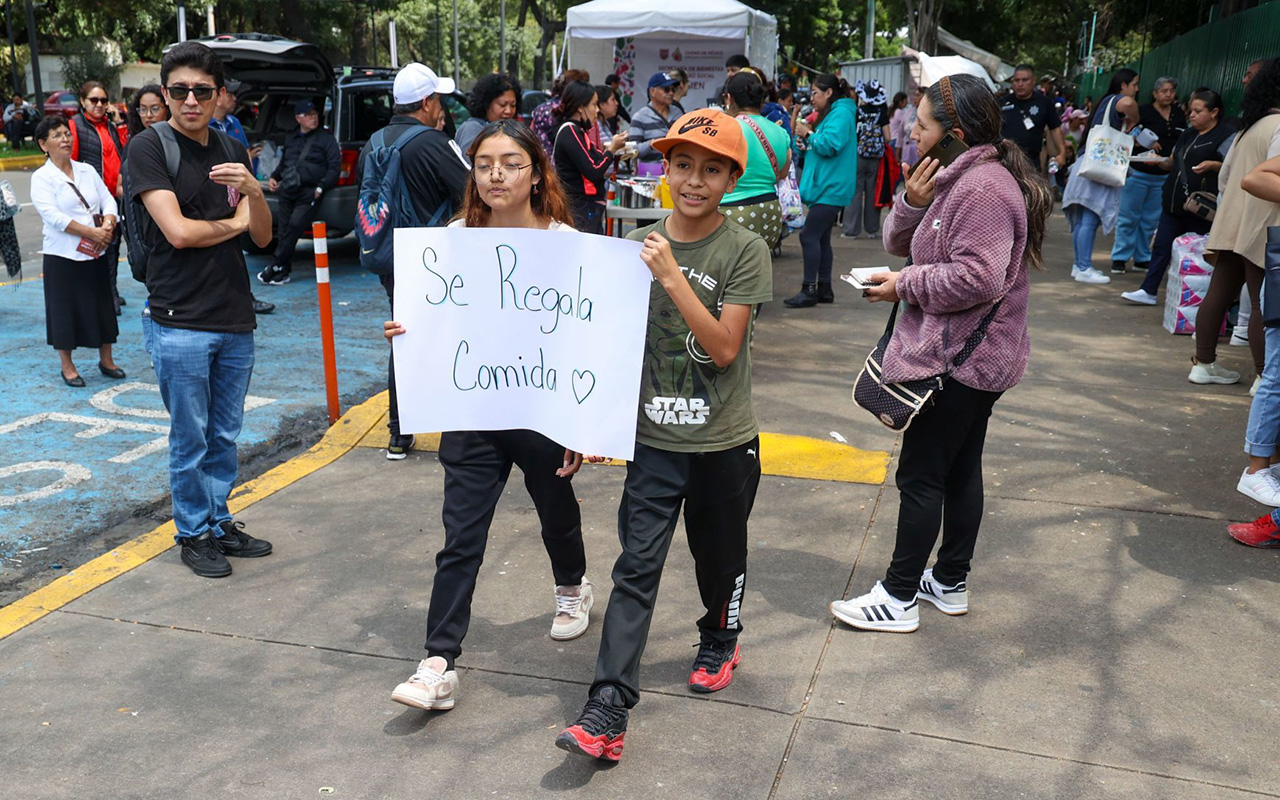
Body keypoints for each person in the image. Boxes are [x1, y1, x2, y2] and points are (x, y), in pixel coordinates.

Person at [556, 109, 770, 762]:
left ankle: (719, 636)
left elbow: (725, 346)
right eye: (682, 166)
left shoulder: (744, 251)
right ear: (664, 171)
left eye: (711, 169)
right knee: (635, 571)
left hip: (724, 444)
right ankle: (607, 709)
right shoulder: (636, 248)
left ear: (732, 178)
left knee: (718, 562)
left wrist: (673, 276)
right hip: (653, 445)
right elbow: (608, 346)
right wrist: (581, 421)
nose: (695, 180)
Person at [381, 119, 593, 712]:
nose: (496, 174)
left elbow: (583, 335)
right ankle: (437, 662)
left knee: (556, 509)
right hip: (473, 409)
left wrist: (579, 420)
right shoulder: (452, 237)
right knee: (461, 536)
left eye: (510, 163)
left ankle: (572, 586)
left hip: (540, 407)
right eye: (484, 164)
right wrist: (408, 330)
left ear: (535, 174)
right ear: (472, 174)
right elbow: (436, 316)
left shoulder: (564, 242)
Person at [830, 73, 1051, 633]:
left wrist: (904, 284)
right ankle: (949, 581)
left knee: (923, 475)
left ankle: (898, 597)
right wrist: (911, 201)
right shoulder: (957, 177)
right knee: (958, 468)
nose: (912, 135)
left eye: (922, 127)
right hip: (972, 354)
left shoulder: (983, 189)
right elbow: (899, 242)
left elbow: (977, 277)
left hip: (965, 359)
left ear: (953, 133)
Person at [129, 41, 274, 578]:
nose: (191, 100)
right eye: (179, 91)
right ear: (165, 94)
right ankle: (192, 533)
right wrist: (233, 226)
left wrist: (255, 193)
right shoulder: (150, 147)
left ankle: (217, 520)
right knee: (190, 438)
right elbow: (179, 232)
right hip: (179, 319)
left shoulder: (228, 145)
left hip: (234, 317)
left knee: (225, 434)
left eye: (202, 91)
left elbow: (261, 236)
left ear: (219, 97)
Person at [357, 62, 469, 460]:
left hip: (392, 257)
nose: (442, 108)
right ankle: (462, 424)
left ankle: (397, 434)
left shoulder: (373, 143)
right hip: (439, 258)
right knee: (456, 334)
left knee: (402, 335)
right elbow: (470, 194)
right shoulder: (434, 143)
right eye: (439, 100)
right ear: (427, 101)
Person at [1189, 60, 1280, 397]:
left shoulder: (1248, 126)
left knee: (1219, 293)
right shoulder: (1278, 126)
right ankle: (1262, 376)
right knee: (1262, 304)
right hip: (1262, 223)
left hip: (1232, 220)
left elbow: (1226, 177)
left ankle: (1203, 363)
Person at [30, 115, 124, 387]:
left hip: (95, 252)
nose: (65, 139)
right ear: (43, 144)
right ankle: (67, 366)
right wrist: (92, 233)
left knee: (102, 305)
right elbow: (53, 216)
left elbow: (108, 200)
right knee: (64, 310)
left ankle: (106, 360)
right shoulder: (42, 178)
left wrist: (107, 225)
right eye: (57, 135)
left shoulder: (86, 170)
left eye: (66, 134)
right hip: (63, 255)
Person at [1121, 89, 1232, 306]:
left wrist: (1213, 165)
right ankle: (1148, 290)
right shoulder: (1188, 134)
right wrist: (1157, 161)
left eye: (1198, 111)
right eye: (1191, 111)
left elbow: (1233, 166)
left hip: (1199, 207)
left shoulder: (1224, 136)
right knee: (1162, 247)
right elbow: (1172, 161)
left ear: (1214, 112)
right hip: (1173, 202)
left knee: (1198, 254)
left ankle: (1197, 298)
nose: (1191, 115)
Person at [1061, 68, 1140, 285]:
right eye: (1134, 84)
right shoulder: (1118, 100)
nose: (1136, 89)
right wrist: (1135, 119)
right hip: (1099, 167)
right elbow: (1128, 105)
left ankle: (1080, 265)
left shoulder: (1103, 102)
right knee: (1089, 219)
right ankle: (1084, 266)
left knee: (1082, 220)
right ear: (1123, 85)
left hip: (1085, 164)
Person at [786, 73, 857, 308]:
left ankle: (809, 290)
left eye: (815, 93)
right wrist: (807, 144)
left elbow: (830, 144)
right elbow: (823, 144)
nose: (812, 98)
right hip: (827, 186)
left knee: (808, 236)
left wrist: (807, 134)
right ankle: (824, 289)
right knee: (822, 238)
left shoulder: (841, 113)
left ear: (828, 93)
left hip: (831, 187)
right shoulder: (837, 113)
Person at [256, 99, 341, 286]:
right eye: (308, 115)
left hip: (310, 192)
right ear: (298, 118)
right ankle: (282, 271)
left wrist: (321, 187)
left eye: (315, 115)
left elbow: (334, 168)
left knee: (295, 226)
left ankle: (276, 264)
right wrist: (274, 177)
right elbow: (286, 161)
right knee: (285, 230)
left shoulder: (326, 140)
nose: (313, 118)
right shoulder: (292, 138)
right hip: (288, 190)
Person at [210, 80, 274, 315]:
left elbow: (243, 158)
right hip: (215, 193)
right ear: (218, 97)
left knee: (239, 245)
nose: (235, 99)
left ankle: (245, 296)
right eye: (231, 94)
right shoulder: (204, 126)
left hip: (239, 192)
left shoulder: (234, 123)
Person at [1112, 77, 1187, 275]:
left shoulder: (1178, 114)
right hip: (1139, 172)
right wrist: (1143, 142)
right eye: (1164, 91)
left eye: (1171, 90)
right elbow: (1129, 132)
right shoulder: (1143, 111)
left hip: (1163, 173)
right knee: (1128, 216)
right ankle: (1120, 257)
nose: (1168, 94)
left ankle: (1142, 257)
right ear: (1154, 93)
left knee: (1150, 220)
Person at [70, 80, 127, 314]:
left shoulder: (110, 125)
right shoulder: (75, 126)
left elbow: (125, 152)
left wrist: (120, 123)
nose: (100, 105)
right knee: (93, 247)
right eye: (94, 100)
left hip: (114, 198)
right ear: (83, 102)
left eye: (104, 100)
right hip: (91, 200)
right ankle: (100, 294)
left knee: (113, 245)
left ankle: (110, 291)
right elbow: (70, 161)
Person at [721, 69, 791, 249]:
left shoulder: (727, 129)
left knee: (727, 272)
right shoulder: (780, 131)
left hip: (732, 211)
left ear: (729, 98)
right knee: (757, 269)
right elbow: (782, 174)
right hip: (771, 212)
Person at [553, 80, 626, 234]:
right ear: (581, 107)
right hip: (578, 209)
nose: (597, 110)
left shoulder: (578, 131)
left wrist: (612, 150)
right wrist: (612, 149)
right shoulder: (570, 131)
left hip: (585, 209)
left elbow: (597, 160)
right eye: (594, 105)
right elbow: (593, 170)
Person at [842, 79, 891, 239]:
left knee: (855, 192)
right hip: (876, 158)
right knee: (872, 192)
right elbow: (888, 137)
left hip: (858, 156)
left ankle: (850, 230)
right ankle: (872, 229)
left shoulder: (858, 111)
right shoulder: (881, 113)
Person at [999, 65, 1067, 175]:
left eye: (1025, 80)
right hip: (1004, 161)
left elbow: (1055, 129)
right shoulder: (1002, 102)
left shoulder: (1045, 103)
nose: (1020, 84)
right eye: (1017, 80)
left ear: (1033, 81)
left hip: (1030, 163)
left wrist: (1062, 153)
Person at [454, 72, 520, 155]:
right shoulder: (472, 129)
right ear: (487, 104)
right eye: (502, 105)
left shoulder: (509, 131)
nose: (508, 111)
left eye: (513, 105)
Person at [628, 72, 681, 172]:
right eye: (666, 89)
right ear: (652, 91)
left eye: (673, 89)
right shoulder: (640, 117)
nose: (671, 93)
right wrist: (651, 144)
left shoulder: (678, 113)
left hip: (674, 171)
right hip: (650, 172)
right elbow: (632, 150)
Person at [532, 69, 589, 155]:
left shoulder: (540, 108)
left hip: (539, 160)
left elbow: (531, 132)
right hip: (561, 163)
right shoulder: (572, 109)